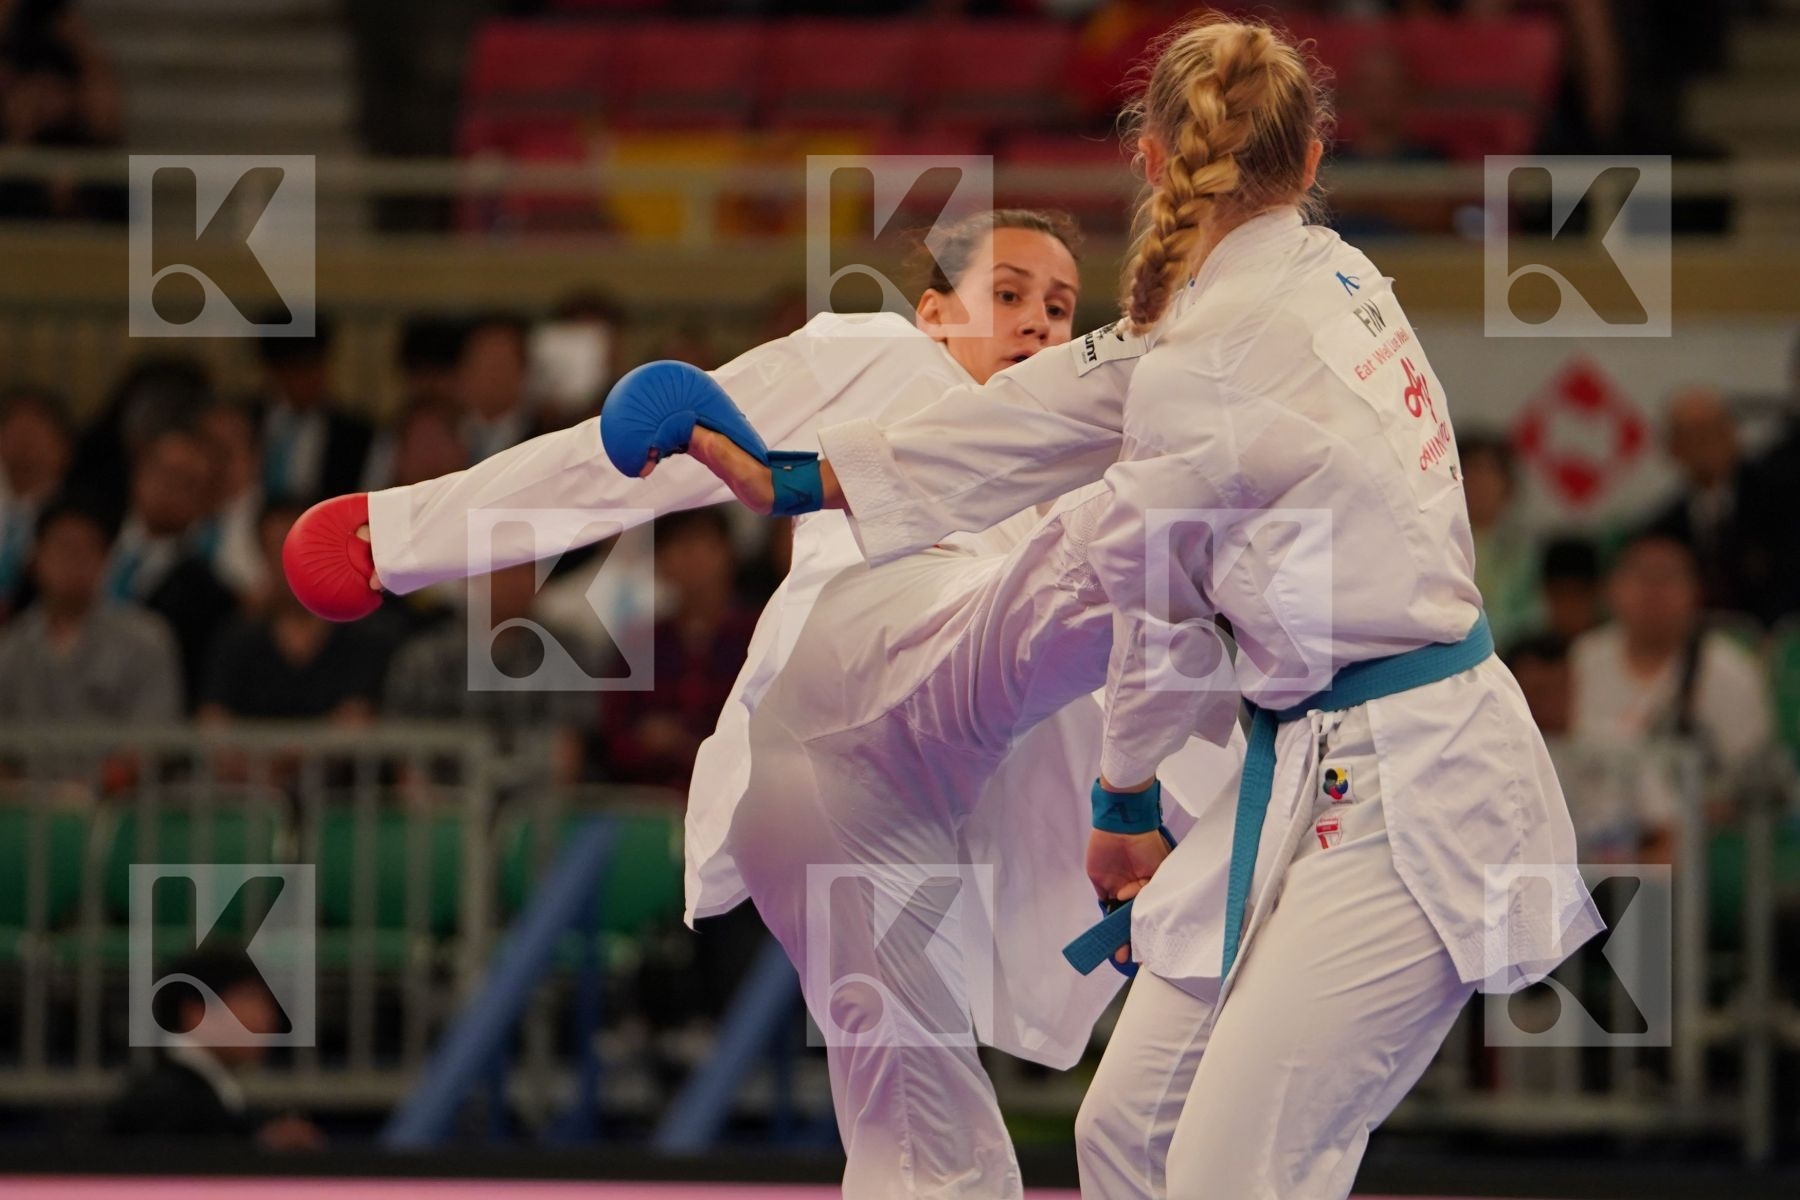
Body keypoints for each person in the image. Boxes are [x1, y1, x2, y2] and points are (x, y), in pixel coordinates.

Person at [663, 17, 1600, 1198]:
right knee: (1129, 1143)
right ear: (1312, 163)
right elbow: (1060, 398)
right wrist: (804, 475)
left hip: (1413, 789)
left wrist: (1120, 797)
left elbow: (1132, 587)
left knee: (1226, 1173)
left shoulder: (1207, 357)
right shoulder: (1312, 277)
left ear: (1152, 160)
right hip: (1309, 765)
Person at [283, 208, 1243, 1199]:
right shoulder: (879, 360)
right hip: (858, 709)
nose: (1040, 323)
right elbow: (635, 465)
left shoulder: (1084, 441)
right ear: (930, 312)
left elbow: (1158, 649)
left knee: (924, 1137)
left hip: (977, 788)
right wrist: (395, 537)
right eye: (1006, 295)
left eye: (1056, 305)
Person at [106, 946, 324, 1149]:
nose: (267, 1018)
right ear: (195, 1011)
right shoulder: (165, 1101)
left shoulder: (199, 1093)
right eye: (250, 998)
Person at [0, 498, 181, 723]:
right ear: (36, 558)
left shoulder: (146, 640)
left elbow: (150, 738)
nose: (74, 562)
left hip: (110, 758)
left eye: (87, 549)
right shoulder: (12, 645)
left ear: (107, 559)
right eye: (64, 547)